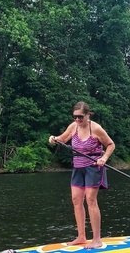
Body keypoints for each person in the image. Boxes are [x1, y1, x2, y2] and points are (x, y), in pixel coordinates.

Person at [49, 101, 115, 249]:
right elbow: (62, 139)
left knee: (91, 200)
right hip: (78, 167)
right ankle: (81, 236)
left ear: (87, 115)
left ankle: (97, 239)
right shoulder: (74, 126)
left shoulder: (96, 128)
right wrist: (54, 139)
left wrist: (103, 158)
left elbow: (111, 144)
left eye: (80, 117)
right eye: (75, 117)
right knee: (76, 200)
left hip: (93, 168)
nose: (77, 120)